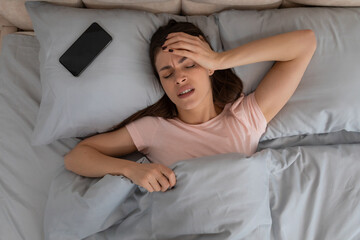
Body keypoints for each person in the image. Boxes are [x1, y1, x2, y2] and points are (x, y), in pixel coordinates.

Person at [64, 19, 317, 193]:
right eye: (167, 73)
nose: (179, 77)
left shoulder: (244, 118)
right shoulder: (153, 129)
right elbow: (76, 157)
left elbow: (305, 42)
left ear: (209, 68)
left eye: (190, 64)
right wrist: (131, 169)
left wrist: (220, 59)